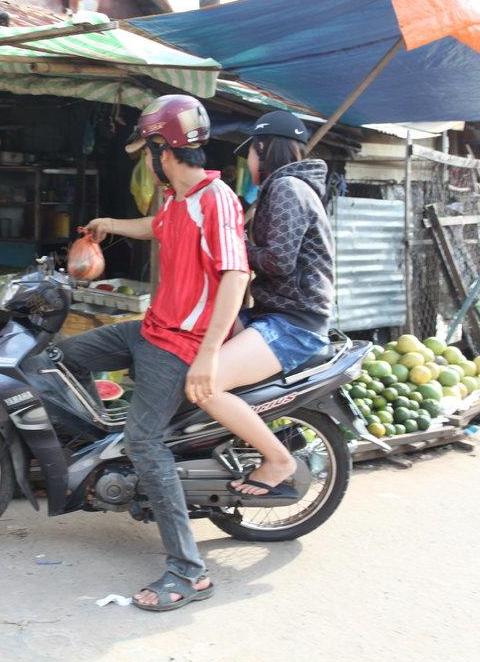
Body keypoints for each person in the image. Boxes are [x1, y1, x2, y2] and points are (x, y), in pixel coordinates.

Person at [59, 95, 250, 612]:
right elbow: (157, 228)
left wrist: (208, 355)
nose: (146, 158)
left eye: (148, 148)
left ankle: (189, 572)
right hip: (149, 329)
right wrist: (109, 224)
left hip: (179, 346)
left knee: (144, 442)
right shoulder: (176, 200)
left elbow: (237, 275)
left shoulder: (217, 200)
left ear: (163, 149)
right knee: (61, 358)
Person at [193, 110, 334, 498]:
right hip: (276, 313)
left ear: (261, 148)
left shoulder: (287, 188)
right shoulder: (288, 187)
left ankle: (279, 461)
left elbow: (278, 260)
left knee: (207, 384)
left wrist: (233, 246)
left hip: (293, 324)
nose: (249, 163)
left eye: (250, 154)